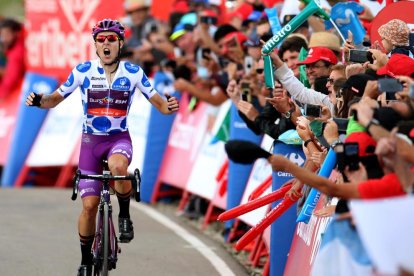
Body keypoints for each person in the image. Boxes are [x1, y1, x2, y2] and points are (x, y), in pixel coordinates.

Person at [25, 19, 179, 276]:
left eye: (111, 39)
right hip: (90, 142)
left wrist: (169, 107)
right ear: (95, 44)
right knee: (89, 206)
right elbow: (54, 99)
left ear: (120, 43)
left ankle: (125, 216)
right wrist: (40, 100)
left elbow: (160, 104)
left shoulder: (133, 73)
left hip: (118, 138)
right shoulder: (83, 71)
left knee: (119, 167)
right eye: (101, 39)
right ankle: (85, 260)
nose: (106, 43)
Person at [0, 18, 25, 98]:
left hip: (19, 92)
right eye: (3, 35)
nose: (4, 39)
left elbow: (11, 79)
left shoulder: (16, 53)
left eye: (7, 35)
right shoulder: (12, 49)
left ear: (17, 33)